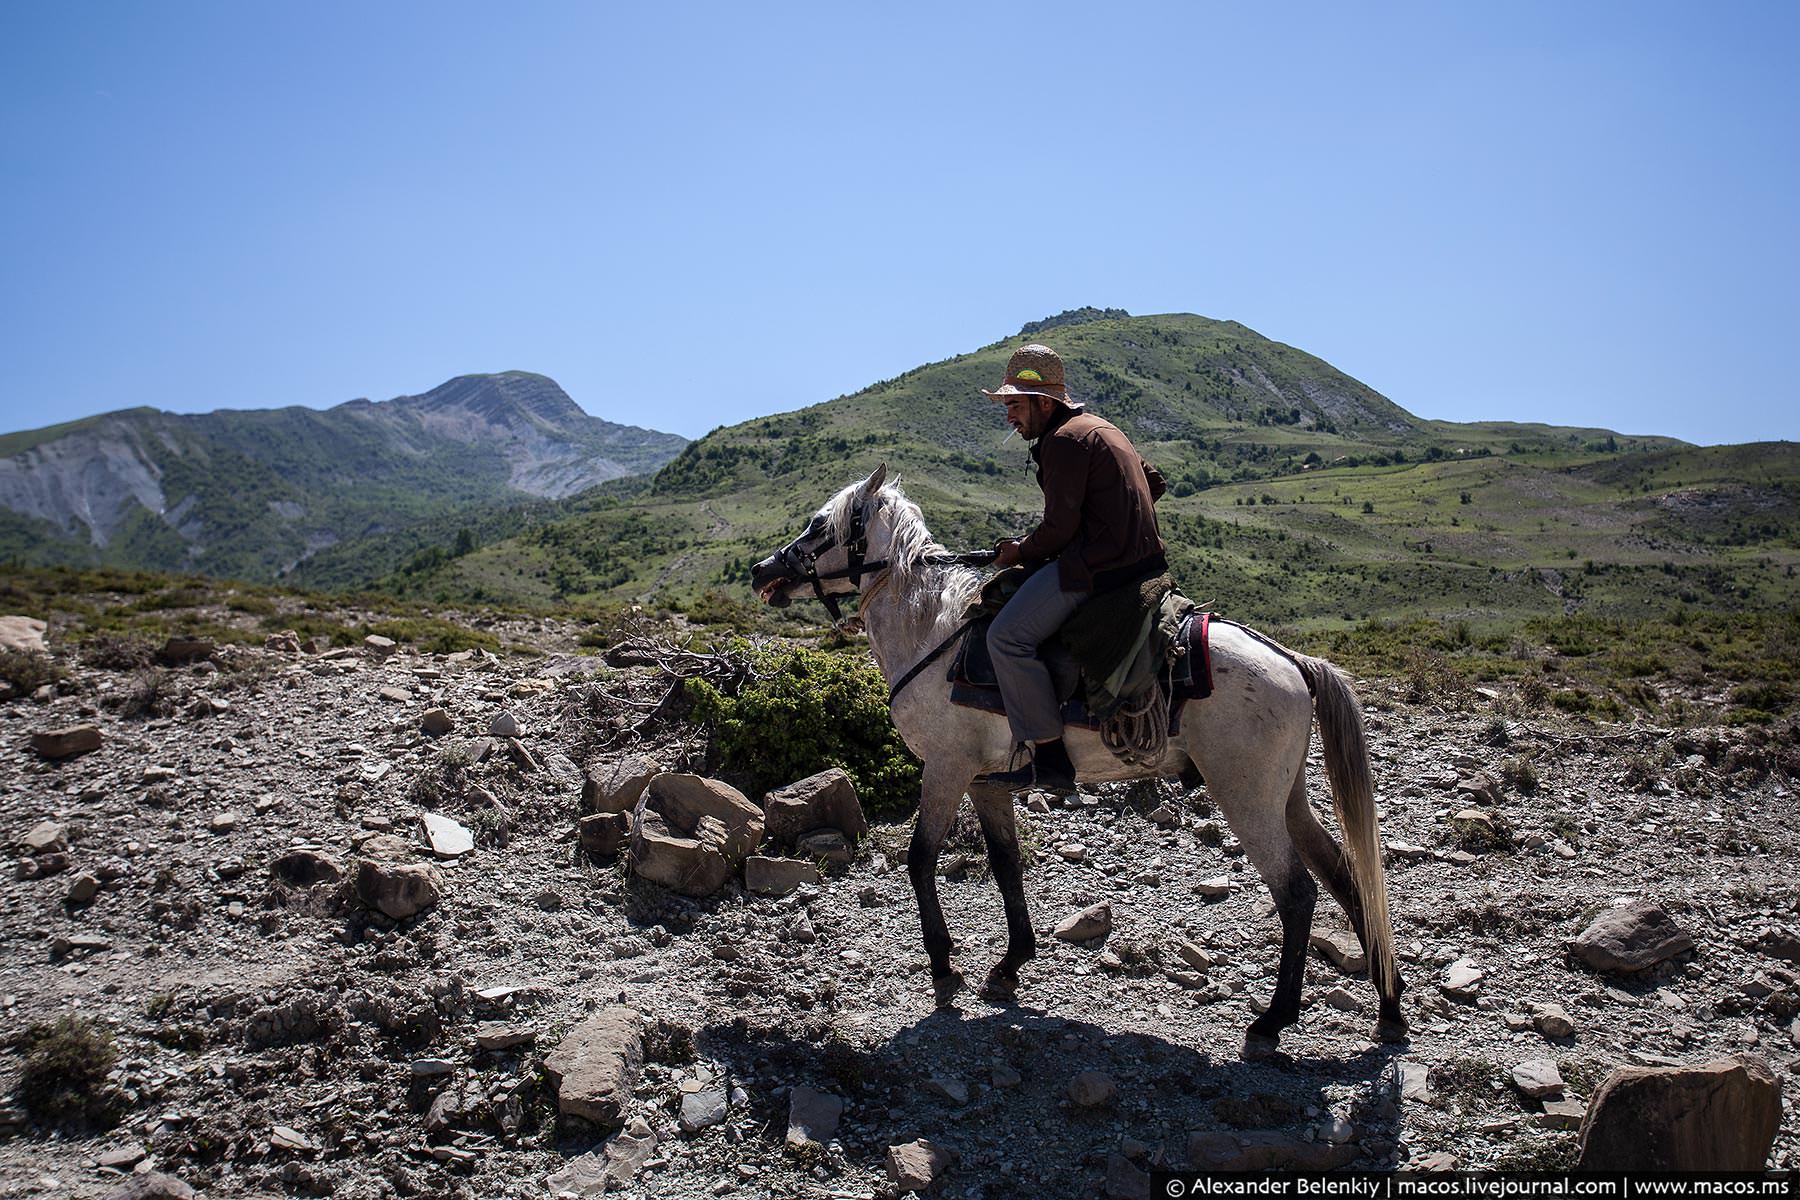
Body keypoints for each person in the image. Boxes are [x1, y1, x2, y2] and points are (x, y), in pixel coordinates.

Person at [980, 343, 1167, 793]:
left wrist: (1017, 552)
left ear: (1044, 402)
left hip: (1098, 570)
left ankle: (1048, 754)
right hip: (1142, 561)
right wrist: (1114, 521)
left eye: (1015, 406)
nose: (1010, 417)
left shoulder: (1062, 441)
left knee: (1005, 638)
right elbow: (1155, 483)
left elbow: (1058, 531)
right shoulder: (1102, 428)